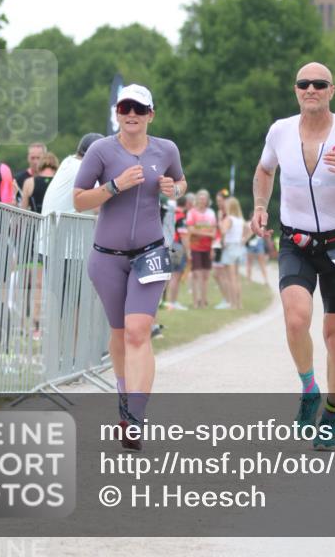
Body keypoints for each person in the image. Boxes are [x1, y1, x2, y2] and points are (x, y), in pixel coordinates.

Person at [251, 61, 335, 448]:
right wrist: (260, 206)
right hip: (296, 241)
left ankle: (332, 408)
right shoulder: (279, 131)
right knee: (296, 320)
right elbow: (264, 171)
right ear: (296, 90)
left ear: (331, 91)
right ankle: (309, 388)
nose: (311, 89)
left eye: (319, 84)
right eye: (304, 83)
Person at [73, 84, 186, 447]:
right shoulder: (101, 150)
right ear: (117, 113)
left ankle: (135, 417)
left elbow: (180, 182)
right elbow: (79, 200)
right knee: (121, 333)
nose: (132, 114)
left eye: (139, 109)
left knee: (139, 331)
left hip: (150, 252)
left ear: (151, 114)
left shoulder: (166, 149)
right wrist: (114, 185)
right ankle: (124, 398)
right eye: (125, 108)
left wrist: (174, 190)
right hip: (107, 257)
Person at [41, 133, 104, 215]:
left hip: (51, 221)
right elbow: (97, 207)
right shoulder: (83, 168)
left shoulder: (68, 161)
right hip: (61, 222)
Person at [186, 190, 217, 308]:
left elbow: (214, 231)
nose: (202, 201)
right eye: (200, 198)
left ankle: (203, 302)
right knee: (196, 275)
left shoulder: (211, 213)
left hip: (208, 248)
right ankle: (195, 302)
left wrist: (212, 248)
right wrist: (207, 233)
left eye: (204, 199)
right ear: (197, 199)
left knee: (205, 276)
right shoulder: (192, 213)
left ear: (207, 200)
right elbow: (191, 230)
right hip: (195, 247)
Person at [164, 194, 191, 310]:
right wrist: (188, 252)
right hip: (177, 245)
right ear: (186, 204)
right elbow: (183, 235)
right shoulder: (181, 216)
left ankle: (163, 301)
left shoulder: (169, 213)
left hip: (167, 244)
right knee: (176, 276)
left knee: (167, 275)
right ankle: (173, 302)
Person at [220, 196, 247, 309]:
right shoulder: (240, 220)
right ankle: (239, 303)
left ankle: (233, 304)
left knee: (230, 278)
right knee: (237, 278)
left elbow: (223, 231)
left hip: (230, 247)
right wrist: (244, 239)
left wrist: (220, 221)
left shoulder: (229, 219)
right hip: (238, 248)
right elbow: (246, 232)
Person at [212, 189, 231, 309]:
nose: (218, 203)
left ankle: (228, 300)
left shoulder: (228, 214)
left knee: (221, 274)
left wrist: (219, 220)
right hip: (218, 245)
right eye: (217, 201)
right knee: (217, 274)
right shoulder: (220, 213)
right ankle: (227, 299)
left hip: (225, 246)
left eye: (220, 201)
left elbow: (224, 230)